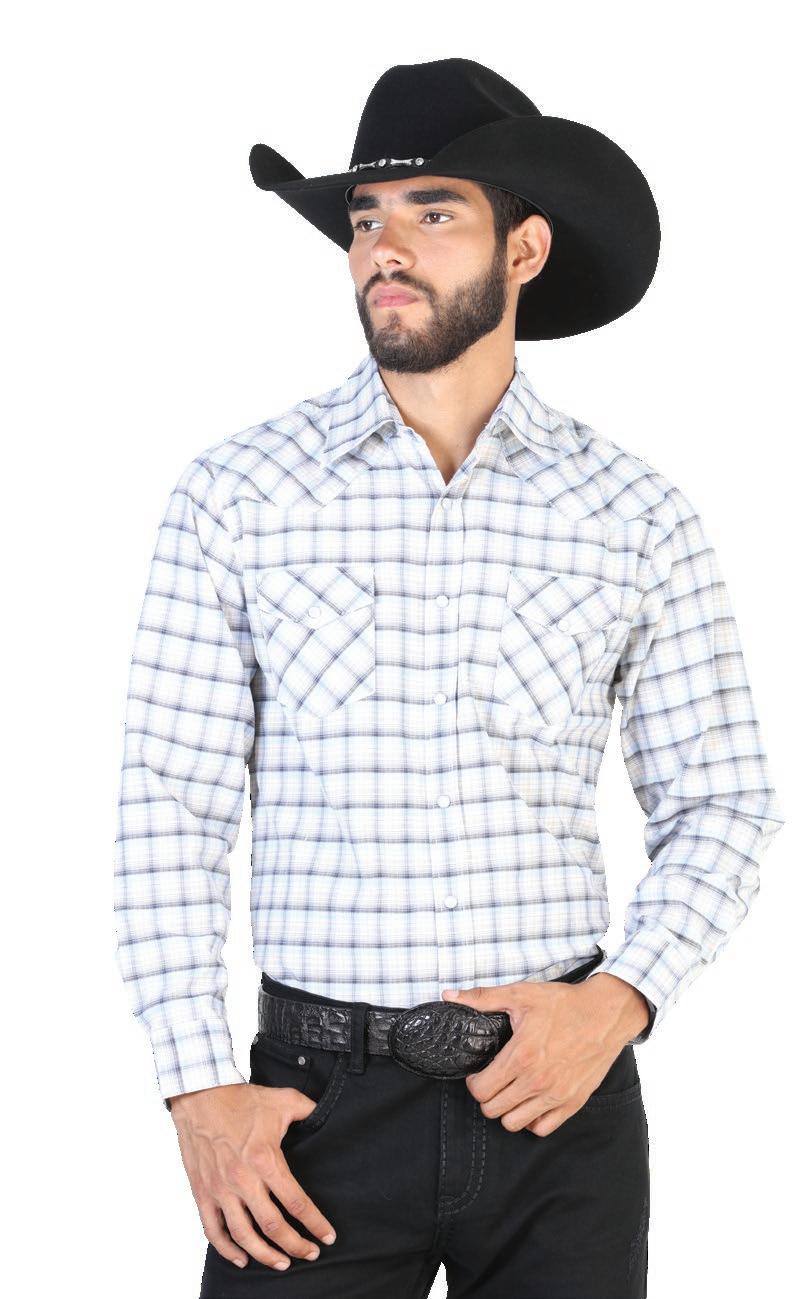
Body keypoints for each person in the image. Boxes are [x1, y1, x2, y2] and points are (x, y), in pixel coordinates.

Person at [113, 58, 785, 1298]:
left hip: (558, 1104)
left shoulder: (635, 515)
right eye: (365, 218)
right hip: (309, 1114)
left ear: (524, 249)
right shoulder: (238, 496)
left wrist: (622, 999)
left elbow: (725, 799)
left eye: (432, 212)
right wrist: (197, 1087)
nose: (385, 248)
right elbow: (170, 805)